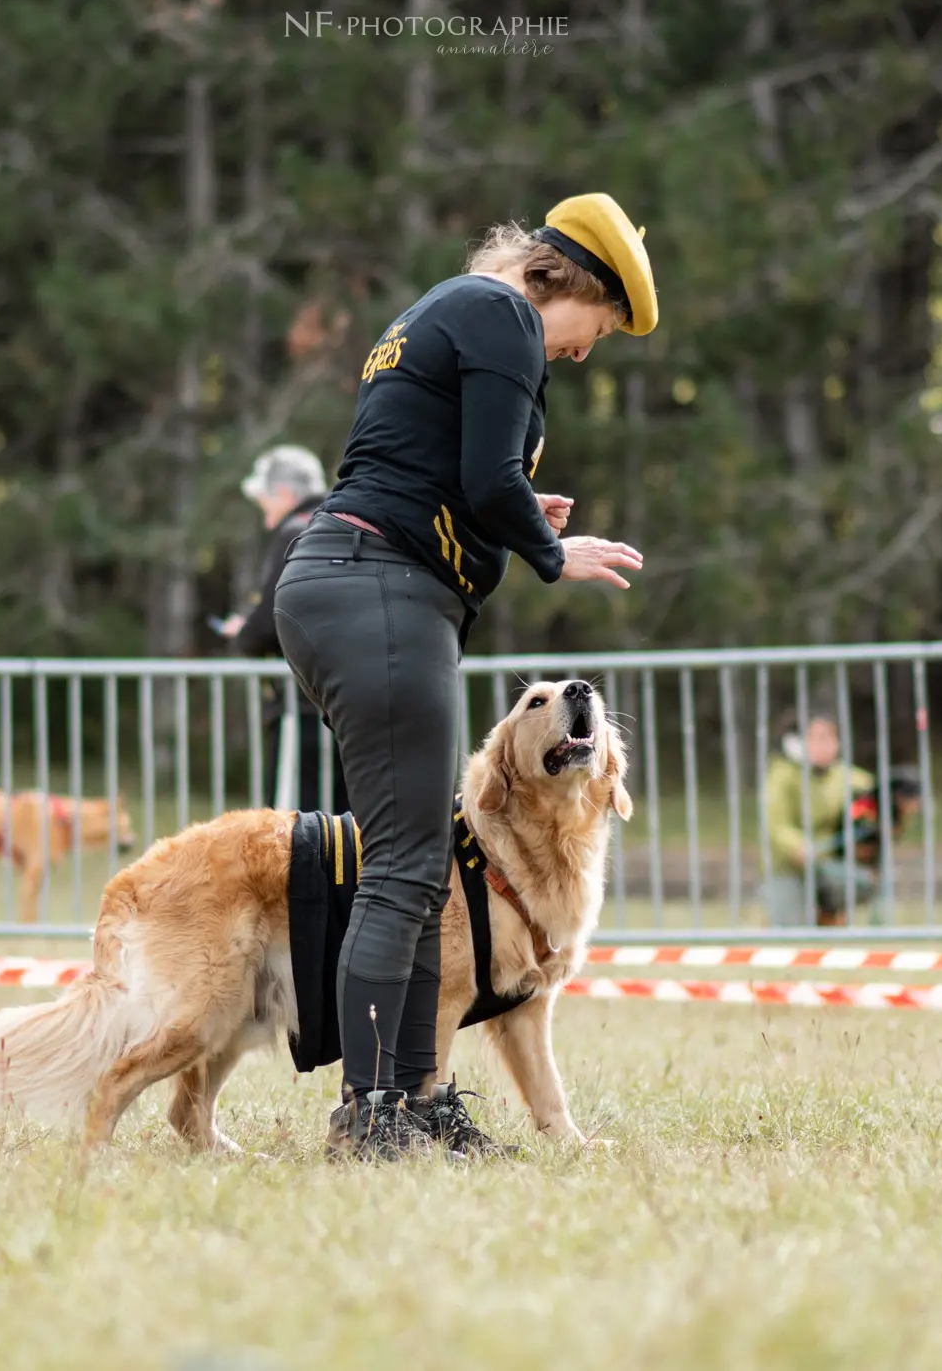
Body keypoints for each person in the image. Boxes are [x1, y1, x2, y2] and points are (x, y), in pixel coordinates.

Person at [271, 193, 655, 1157]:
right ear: (572, 284)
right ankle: (374, 1115)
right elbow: (486, 476)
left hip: (348, 586)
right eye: (596, 330)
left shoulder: (451, 310)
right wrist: (540, 544)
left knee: (408, 854)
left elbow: (437, 470)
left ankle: (415, 1096)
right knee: (406, 867)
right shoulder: (504, 313)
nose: (580, 354)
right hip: (380, 592)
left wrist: (514, 513)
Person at [220, 445, 349, 815]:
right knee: (346, 823)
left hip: (301, 706)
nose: (265, 516)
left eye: (265, 502)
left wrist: (242, 635)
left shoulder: (295, 530)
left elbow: (270, 619)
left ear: (285, 494)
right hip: (351, 706)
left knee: (290, 826)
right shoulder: (343, 524)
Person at [764, 702, 879, 928]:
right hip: (790, 867)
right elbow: (777, 827)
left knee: (865, 882)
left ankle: (830, 912)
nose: (827, 746)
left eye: (831, 738)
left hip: (829, 865)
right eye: (818, 738)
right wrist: (798, 847)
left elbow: (875, 796)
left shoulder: (848, 777)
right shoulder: (781, 775)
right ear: (796, 742)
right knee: (787, 931)